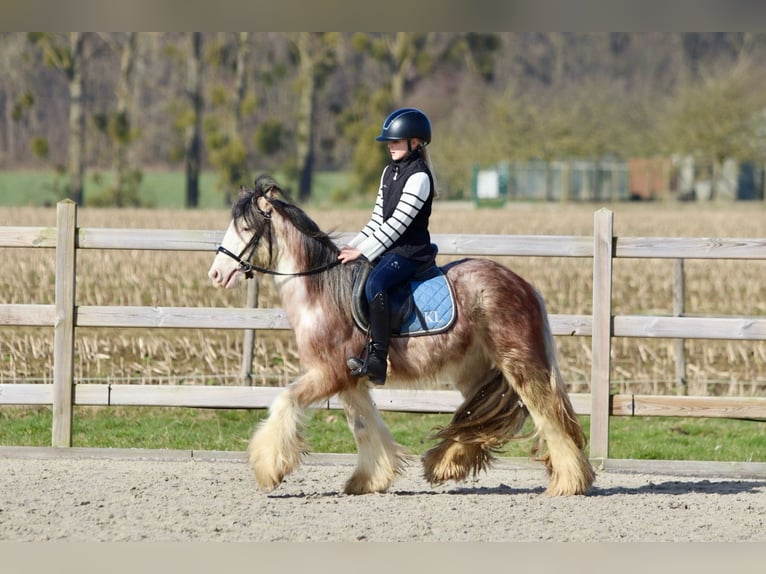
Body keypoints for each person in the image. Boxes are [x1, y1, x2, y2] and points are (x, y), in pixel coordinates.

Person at [338, 107, 437, 385]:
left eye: (396, 140)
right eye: (389, 141)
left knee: (375, 284)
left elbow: (397, 225)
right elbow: (377, 221)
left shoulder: (419, 177)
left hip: (411, 253)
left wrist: (364, 252)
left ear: (415, 142)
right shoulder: (389, 172)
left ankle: (378, 359)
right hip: (391, 249)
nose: (390, 146)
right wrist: (351, 247)